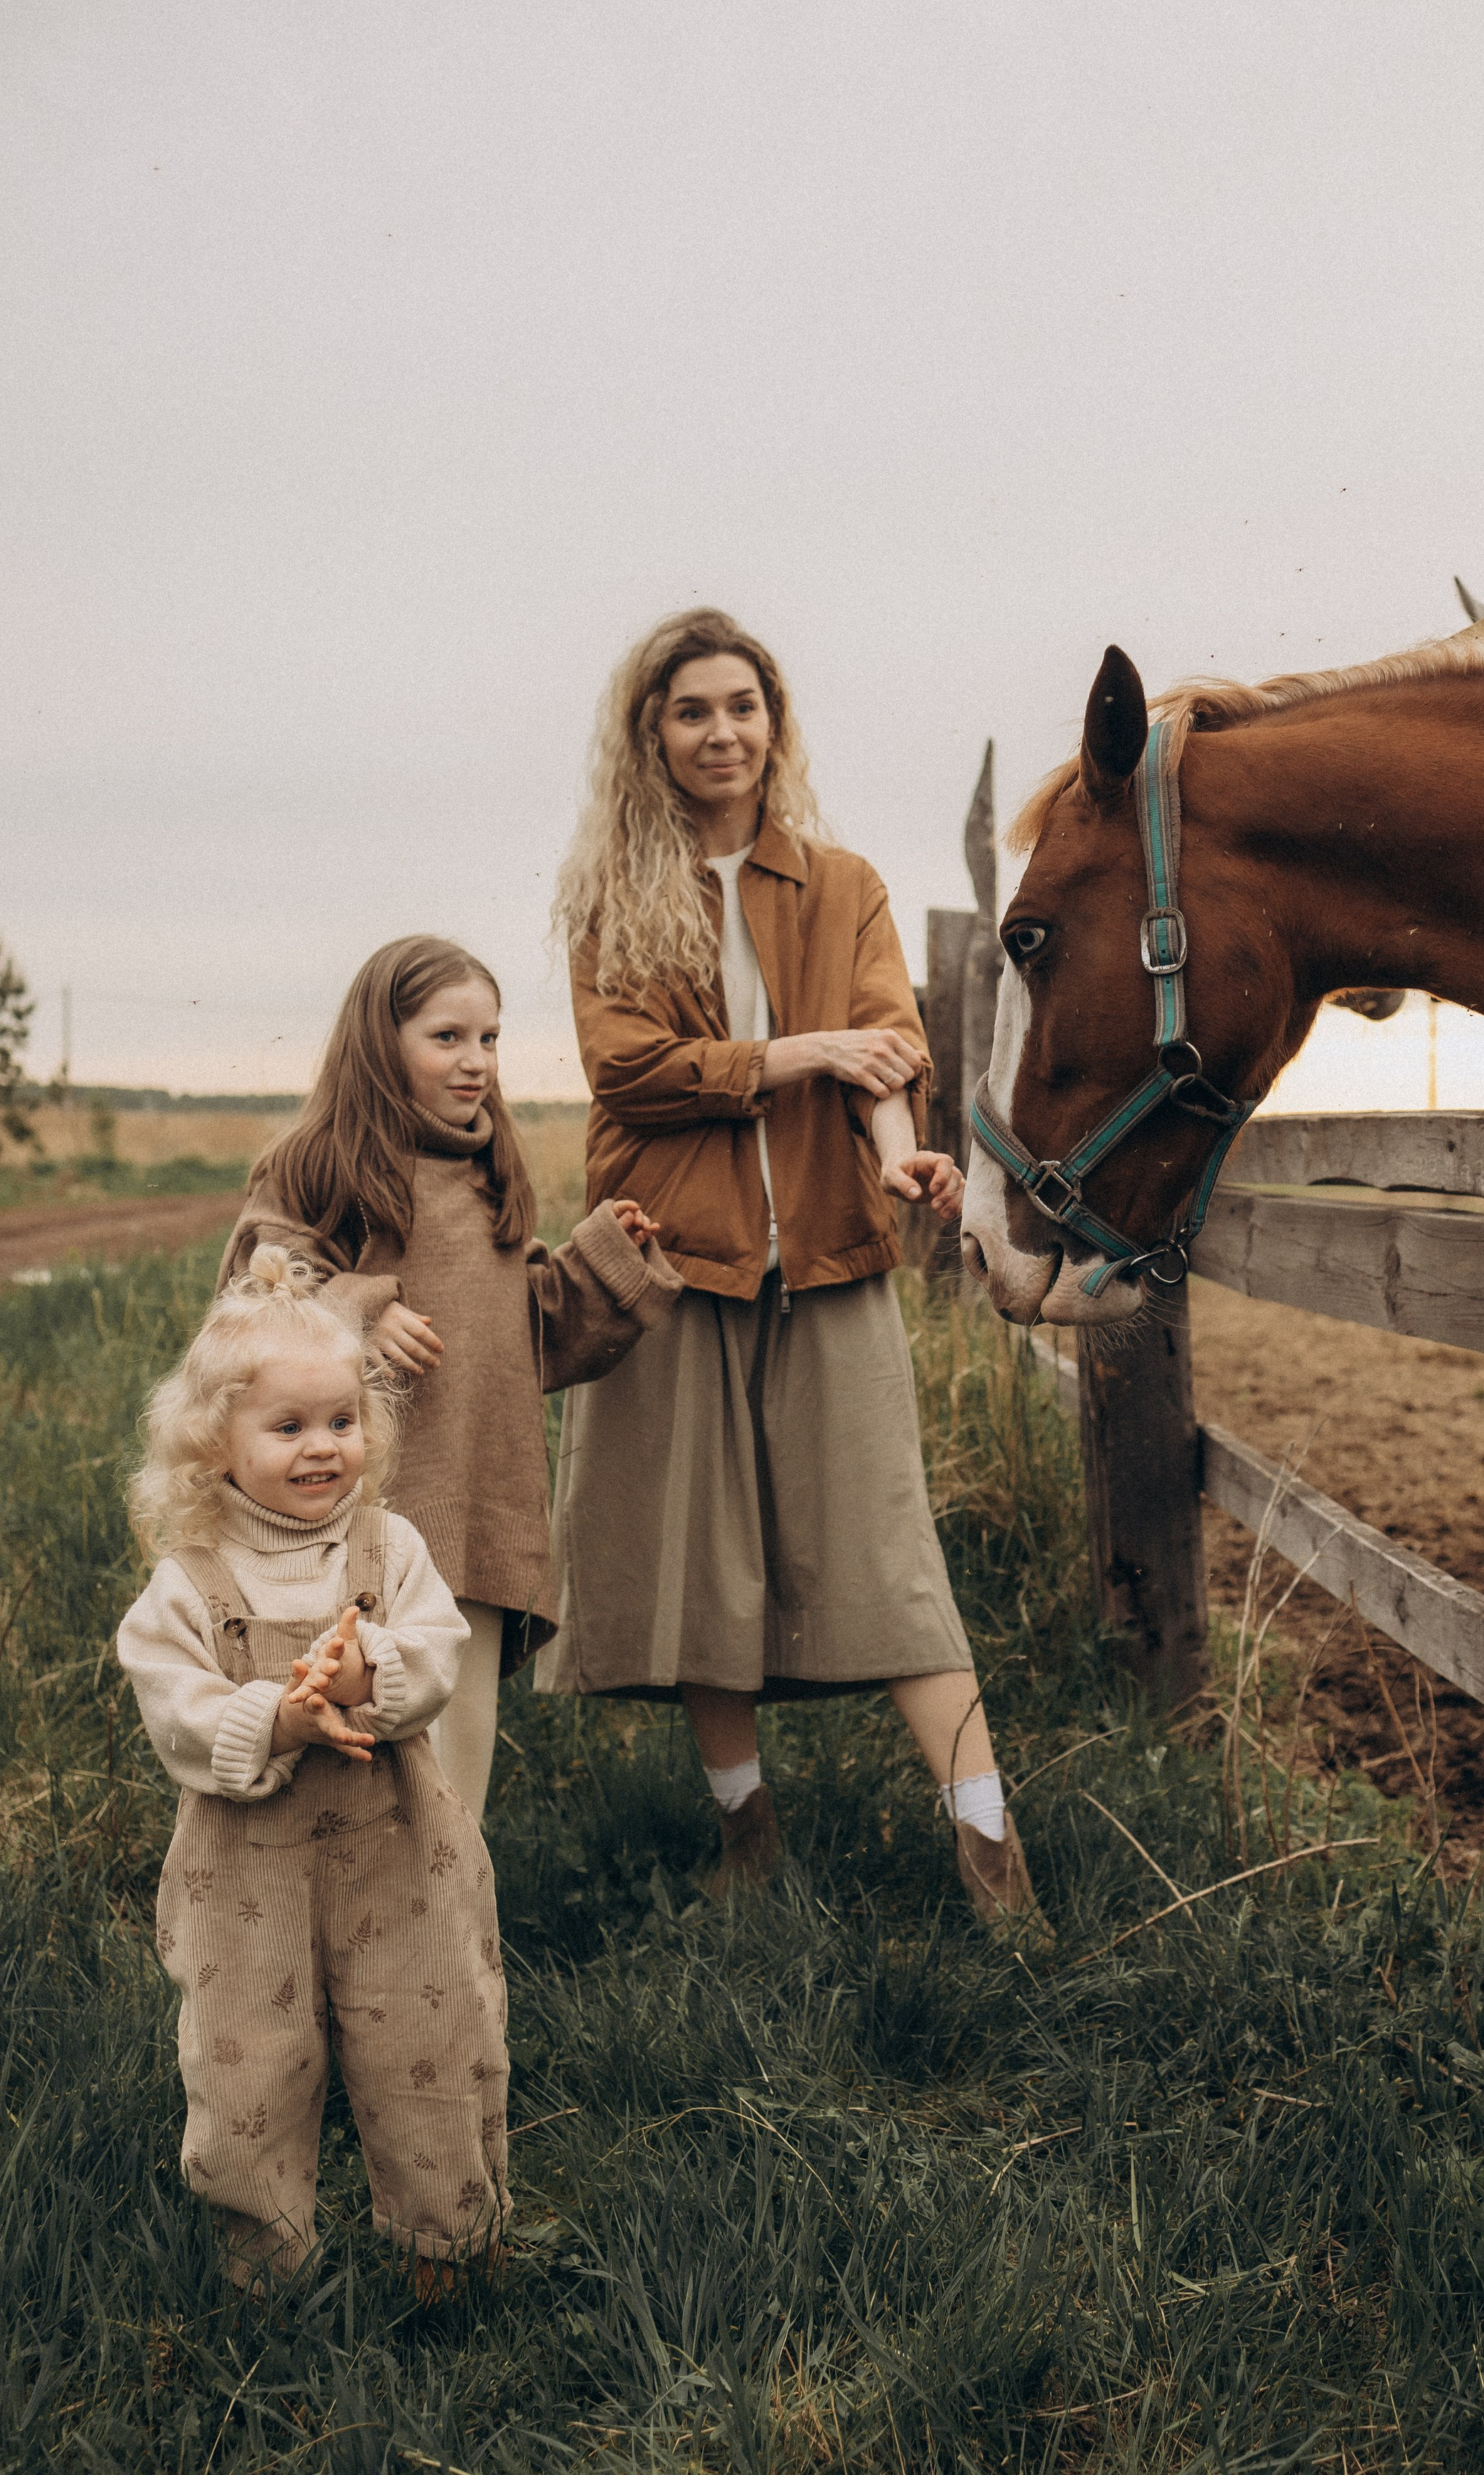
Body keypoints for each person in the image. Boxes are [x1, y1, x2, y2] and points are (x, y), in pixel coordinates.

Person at [541, 605, 1048, 1939]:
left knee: (892, 1564)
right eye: (692, 710)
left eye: (742, 707)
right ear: (652, 735)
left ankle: (999, 1872)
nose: (722, 733)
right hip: (671, 1271)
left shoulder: (844, 883)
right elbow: (632, 1075)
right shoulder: (614, 896)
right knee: (702, 1577)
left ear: (776, 725)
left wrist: (896, 1157)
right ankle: (747, 1847)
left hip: (828, 1260)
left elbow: (884, 1046)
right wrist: (804, 1057)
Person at [117, 1247, 507, 2293]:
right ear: (214, 1445)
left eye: (340, 1423)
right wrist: (278, 1721)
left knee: (428, 2032)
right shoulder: (188, 1584)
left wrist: (368, 1668)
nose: (320, 1449)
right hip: (245, 1875)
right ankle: (265, 2269)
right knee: (248, 2061)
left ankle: (447, 2249)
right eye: (286, 1429)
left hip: (402, 1854)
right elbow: (175, 1706)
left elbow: (436, 1654)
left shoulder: (391, 1549)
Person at [221, 935, 682, 1820]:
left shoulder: (489, 1173)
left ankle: (451, 1937)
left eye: (491, 1039)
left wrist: (604, 1259)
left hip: (478, 1507)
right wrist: (360, 1307)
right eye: (447, 1038)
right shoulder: (320, 1161)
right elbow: (260, 1275)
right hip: (356, 1516)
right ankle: (340, 1940)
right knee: (342, 1755)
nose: (475, 1063)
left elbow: (519, 1333)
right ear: (379, 1041)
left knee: (451, 1770)